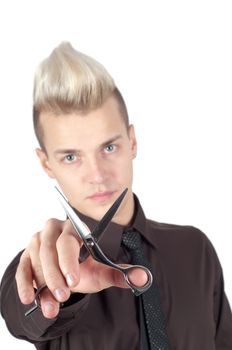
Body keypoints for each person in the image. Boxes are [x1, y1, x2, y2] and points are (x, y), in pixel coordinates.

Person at [0, 42, 232, 350]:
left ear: (132, 142)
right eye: (71, 157)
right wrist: (57, 286)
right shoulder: (40, 264)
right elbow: (23, 314)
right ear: (47, 164)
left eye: (109, 148)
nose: (98, 175)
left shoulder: (196, 249)